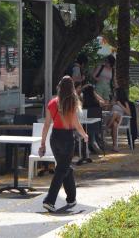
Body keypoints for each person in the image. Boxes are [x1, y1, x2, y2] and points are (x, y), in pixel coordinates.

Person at [39, 76, 89, 213]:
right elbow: (76, 124)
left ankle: (71, 198)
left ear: (59, 87)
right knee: (61, 169)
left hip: (54, 137)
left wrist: (42, 144)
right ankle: (49, 200)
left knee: (65, 167)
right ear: (72, 88)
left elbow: (46, 125)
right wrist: (84, 135)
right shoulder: (72, 102)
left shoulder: (52, 103)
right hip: (67, 138)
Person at [81, 84, 108, 154]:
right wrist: (95, 94)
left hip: (84, 127)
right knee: (93, 137)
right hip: (96, 127)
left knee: (90, 136)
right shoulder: (97, 103)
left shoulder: (82, 103)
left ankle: (87, 148)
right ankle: (95, 147)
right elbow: (104, 102)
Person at [108, 87, 131, 152]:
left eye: (115, 93)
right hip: (111, 119)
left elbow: (129, 113)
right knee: (115, 124)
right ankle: (115, 146)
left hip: (120, 119)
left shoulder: (124, 102)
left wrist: (120, 105)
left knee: (115, 114)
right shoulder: (113, 100)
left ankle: (107, 128)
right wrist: (110, 105)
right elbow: (108, 110)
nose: (114, 94)